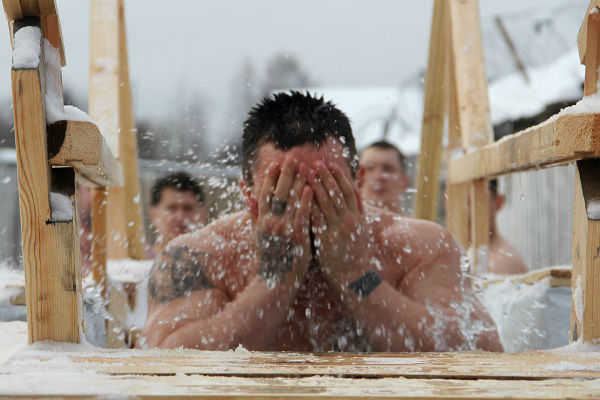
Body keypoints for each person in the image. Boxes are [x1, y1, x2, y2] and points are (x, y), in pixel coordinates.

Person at [140, 92, 502, 352]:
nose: (307, 206)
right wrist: (274, 279)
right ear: (248, 192)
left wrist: (356, 273)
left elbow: (482, 351)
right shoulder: (201, 254)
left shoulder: (415, 245)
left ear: (357, 184)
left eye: (327, 187)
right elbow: (163, 365)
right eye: (285, 190)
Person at [148, 172, 208, 258]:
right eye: (172, 208)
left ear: (202, 214)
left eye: (187, 208)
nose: (180, 217)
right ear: (153, 215)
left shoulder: (216, 261)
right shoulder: (138, 260)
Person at [487, 179, 528, 275]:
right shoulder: (469, 255)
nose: (468, 211)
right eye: (462, 202)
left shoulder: (504, 261)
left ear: (499, 202)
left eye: (474, 203)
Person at [359, 140, 410, 215]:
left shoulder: (419, 222)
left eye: (387, 169)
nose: (378, 177)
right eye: (369, 168)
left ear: (404, 182)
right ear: (357, 179)